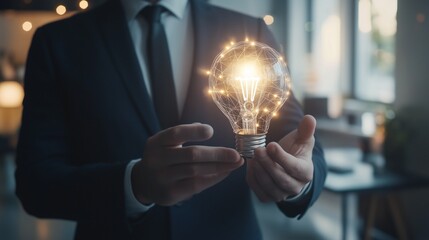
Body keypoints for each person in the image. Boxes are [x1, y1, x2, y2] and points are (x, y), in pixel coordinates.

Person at [15, 0, 327, 239]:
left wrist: (300, 178)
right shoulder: (58, 43)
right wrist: (134, 184)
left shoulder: (251, 33)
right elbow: (36, 184)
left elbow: (297, 137)